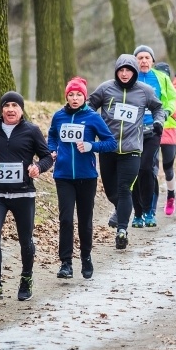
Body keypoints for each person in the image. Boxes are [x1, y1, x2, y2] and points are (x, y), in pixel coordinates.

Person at [0, 91, 54, 302]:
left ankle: (26, 278)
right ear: (1, 109)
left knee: (25, 239)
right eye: (6, 105)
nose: (10, 109)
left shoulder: (32, 131)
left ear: (21, 109)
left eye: (15, 106)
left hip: (23, 193)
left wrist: (38, 167)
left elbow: (47, 156)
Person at [88, 55, 164, 250]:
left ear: (134, 72)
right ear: (116, 71)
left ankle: (122, 230)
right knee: (111, 191)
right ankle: (121, 210)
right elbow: (89, 105)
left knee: (124, 189)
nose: (124, 73)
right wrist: (90, 125)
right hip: (107, 148)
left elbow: (158, 108)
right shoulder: (105, 88)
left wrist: (158, 122)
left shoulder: (144, 91)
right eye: (121, 70)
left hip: (132, 149)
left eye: (128, 70)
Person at [47, 77, 117, 280]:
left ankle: (86, 256)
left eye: (79, 94)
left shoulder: (93, 117)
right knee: (66, 219)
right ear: (66, 96)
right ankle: (66, 263)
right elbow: (52, 135)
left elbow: (110, 143)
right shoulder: (58, 116)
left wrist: (91, 146)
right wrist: (52, 150)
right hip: (63, 176)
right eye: (71, 94)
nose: (75, 98)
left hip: (87, 176)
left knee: (85, 221)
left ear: (85, 97)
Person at [131, 46, 176, 228]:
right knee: (134, 171)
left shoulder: (161, 78)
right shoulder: (129, 78)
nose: (143, 61)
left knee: (146, 168)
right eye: (140, 58)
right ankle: (137, 213)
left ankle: (149, 211)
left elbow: (172, 99)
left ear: (152, 61)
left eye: (147, 58)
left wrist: (165, 113)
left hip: (153, 129)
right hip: (132, 131)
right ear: (135, 60)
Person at [154, 62, 176, 216]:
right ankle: (150, 202)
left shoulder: (174, 92)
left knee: (167, 168)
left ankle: (171, 197)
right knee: (151, 168)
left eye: (164, 76)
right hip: (152, 132)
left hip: (169, 133)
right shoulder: (151, 90)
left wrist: (169, 111)